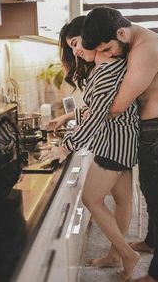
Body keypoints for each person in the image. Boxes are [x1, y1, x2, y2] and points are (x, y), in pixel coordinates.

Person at [81, 7, 158, 282]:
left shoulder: (147, 49)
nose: (108, 55)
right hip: (152, 131)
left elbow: (117, 105)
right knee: (151, 193)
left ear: (122, 33)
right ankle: (151, 242)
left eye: (108, 48)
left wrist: (94, 112)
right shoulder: (132, 43)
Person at [40, 15, 140, 281]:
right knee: (121, 200)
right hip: (123, 140)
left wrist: (66, 146)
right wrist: (66, 118)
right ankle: (115, 255)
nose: (75, 51)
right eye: (71, 47)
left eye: (77, 43)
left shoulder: (106, 70)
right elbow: (98, 108)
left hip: (113, 144)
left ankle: (127, 253)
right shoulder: (111, 65)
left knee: (91, 199)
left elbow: (96, 117)